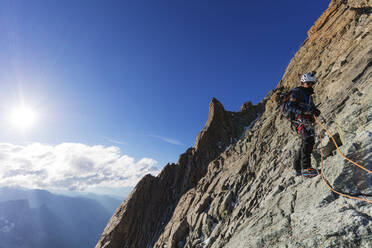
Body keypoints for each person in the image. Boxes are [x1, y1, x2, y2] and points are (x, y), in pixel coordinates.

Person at [285, 72, 321, 177]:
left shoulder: (309, 96)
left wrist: (315, 111)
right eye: (308, 83)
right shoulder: (297, 91)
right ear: (303, 83)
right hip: (299, 119)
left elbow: (311, 108)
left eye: (311, 83)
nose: (310, 85)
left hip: (306, 120)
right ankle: (306, 168)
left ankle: (297, 169)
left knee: (307, 142)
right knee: (307, 140)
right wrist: (303, 112)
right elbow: (290, 107)